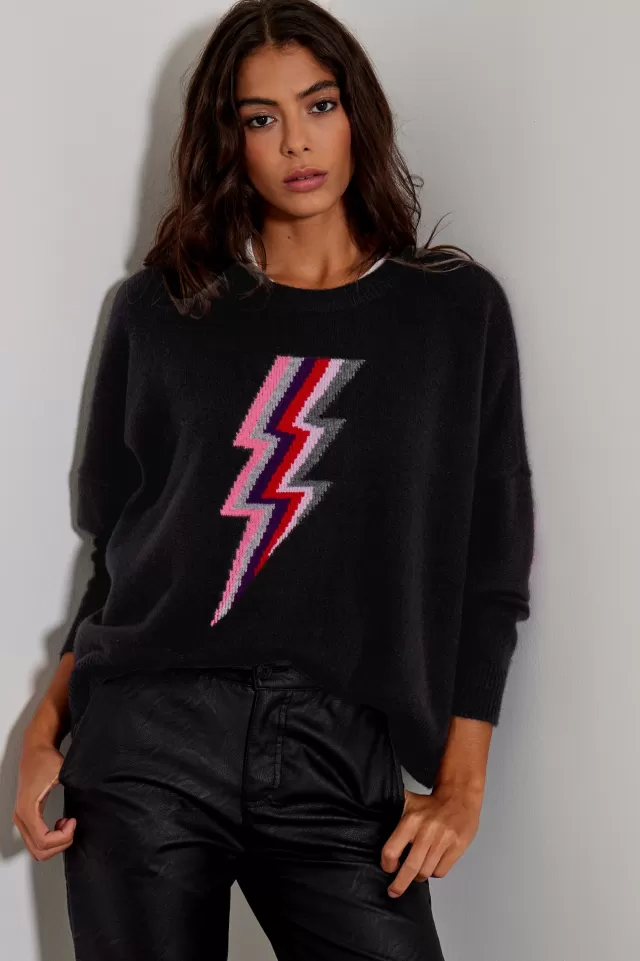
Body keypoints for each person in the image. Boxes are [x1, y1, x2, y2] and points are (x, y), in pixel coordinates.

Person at [13, 1, 535, 958]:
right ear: (230, 142)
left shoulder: (453, 315)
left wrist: (462, 784)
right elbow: (118, 556)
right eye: (261, 118)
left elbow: (492, 570)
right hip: (150, 740)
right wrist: (46, 727)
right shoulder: (161, 312)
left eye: (319, 105)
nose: (297, 141)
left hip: (338, 749)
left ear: (357, 113)